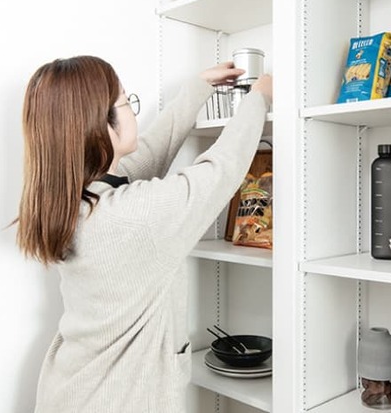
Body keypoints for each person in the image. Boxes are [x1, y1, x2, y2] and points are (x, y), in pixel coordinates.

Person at [15, 55, 272, 413]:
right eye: (127, 101)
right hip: (116, 401)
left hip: (71, 391)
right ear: (103, 125)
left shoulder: (72, 199)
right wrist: (259, 97)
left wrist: (198, 88)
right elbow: (219, 171)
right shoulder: (130, 216)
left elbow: (148, 156)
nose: (133, 112)